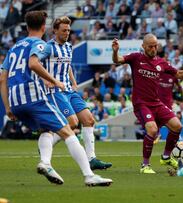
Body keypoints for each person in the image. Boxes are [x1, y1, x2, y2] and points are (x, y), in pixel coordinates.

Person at [0, 11, 112, 186]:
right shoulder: (42, 44)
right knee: (69, 130)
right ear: (45, 28)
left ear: (26, 26)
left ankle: (46, 163)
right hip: (35, 95)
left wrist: (7, 107)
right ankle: (89, 175)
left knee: (48, 130)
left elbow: (2, 78)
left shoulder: (13, 47)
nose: (67, 33)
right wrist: (53, 81)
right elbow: (34, 64)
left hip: (15, 100)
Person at [112, 34, 183, 174]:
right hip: (141, 103)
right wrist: (115, 51)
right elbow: (117, 60)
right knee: (152, 130)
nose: (153, 48)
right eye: (150, 46)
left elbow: (179, 74)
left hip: (156, 103)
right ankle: (145, 165)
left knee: (177, 126)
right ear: (143, 46)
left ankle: (166, 157)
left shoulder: (161, 63)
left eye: (155, 46)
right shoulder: (135, 58)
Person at [39, 16, 112, 170]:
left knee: (89, 120)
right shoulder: (48, 47)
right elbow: (35, 64)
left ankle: (92, 159)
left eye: (69, 30)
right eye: (64, 30)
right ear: (55, 31)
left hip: (69, 90)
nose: (67, 33)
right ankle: (47, 145)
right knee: (72, 123)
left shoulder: (68, 46)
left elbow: (68, 65)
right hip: (56, 90)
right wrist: (43, 79)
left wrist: (73, 82)